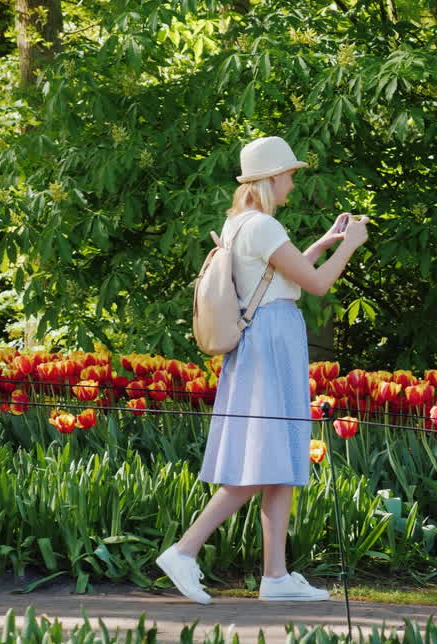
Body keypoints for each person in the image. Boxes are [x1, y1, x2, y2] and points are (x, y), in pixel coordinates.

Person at [155, 136, 369, 605]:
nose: (293, 183)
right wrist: (350, 246)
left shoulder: (240, 224)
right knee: (264, 457)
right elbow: (315, 284)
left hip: (262, 341)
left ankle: (276, 576)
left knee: (280, 460)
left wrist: (324, 241)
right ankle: (185, 551)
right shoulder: (264, 227)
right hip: (271, 341)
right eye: (289, 175)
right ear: (271, 179)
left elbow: (279, 274)